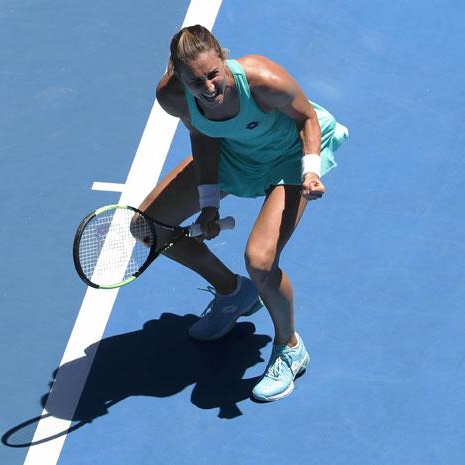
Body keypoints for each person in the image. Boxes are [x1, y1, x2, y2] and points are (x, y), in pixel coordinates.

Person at [138, 25, 348, 402]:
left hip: (290, 157)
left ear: (223, 57)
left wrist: (311, 170)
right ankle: (233, 292)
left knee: (261, 261)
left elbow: (307, 120)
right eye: (195, 81)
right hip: (237, 156)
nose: (208, 88)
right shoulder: (172, 97)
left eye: (213, 74)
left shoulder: (264, 81)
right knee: (148, 228)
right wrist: (208, 203)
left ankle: (290, 347)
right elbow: (202, 135)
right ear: (178, 76)